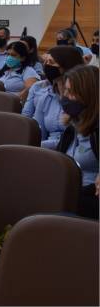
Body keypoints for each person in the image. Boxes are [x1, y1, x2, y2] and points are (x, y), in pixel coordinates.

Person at [55, 64, 99, 219]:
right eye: (65, 91)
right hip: (69, 192)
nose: (64, 97)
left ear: (87, 95)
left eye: (70, 92)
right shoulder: (74, 125)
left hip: (89, 199)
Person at [23, 45, 84, 149]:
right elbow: (39, 133)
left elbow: (78, 140)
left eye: (51, 62)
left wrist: (40, 146)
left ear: (67, 66)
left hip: (75, 151)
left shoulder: (83, 97)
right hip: (47, 152)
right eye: (45, 62)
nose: (46, 66)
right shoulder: (46, 96)